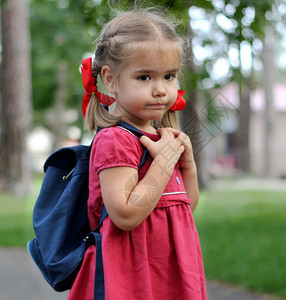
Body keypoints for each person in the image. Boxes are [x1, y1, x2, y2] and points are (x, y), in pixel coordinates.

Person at [68, 6, 207, 300]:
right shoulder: (116, 140)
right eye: (145, 77)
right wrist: (164, 163)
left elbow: (184, 208)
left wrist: (188, 164)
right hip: (131, 277)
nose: (160, 89)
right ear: (111, 79)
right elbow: (127, 215)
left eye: (169, 76)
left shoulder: (162, 138)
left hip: (169, 271)